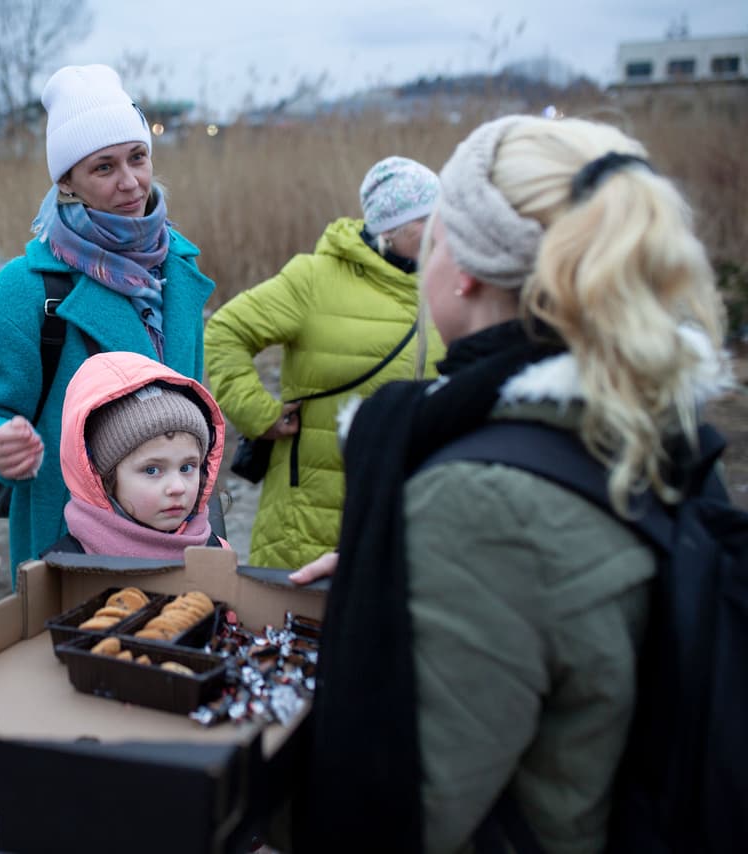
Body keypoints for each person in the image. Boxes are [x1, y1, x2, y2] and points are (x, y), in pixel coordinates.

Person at [302, 116, 730, 852]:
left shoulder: (482, 501)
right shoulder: (654, 423)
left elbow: (386, 821)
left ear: (461, 267)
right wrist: (411, 578)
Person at [0, 64, 214, 581]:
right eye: (104, 168)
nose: (130, 181)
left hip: (180, 532)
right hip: (74, 548)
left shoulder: (178, 268)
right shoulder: (29, 287)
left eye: (138, 158)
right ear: (67, 179)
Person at [203, 156, 444, 572]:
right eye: (429, 219)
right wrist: (261, 415)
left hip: (414, 508)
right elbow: (224, 333)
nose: (444, 230)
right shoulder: (314, 279)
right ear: (391, 226)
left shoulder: (447, 283)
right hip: (312, 517)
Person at [45, 351, 228, 558]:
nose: (177, 487)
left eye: (187, 467)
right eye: (152, 470)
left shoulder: (217, 552)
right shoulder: (64, 570)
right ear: (105, 480)